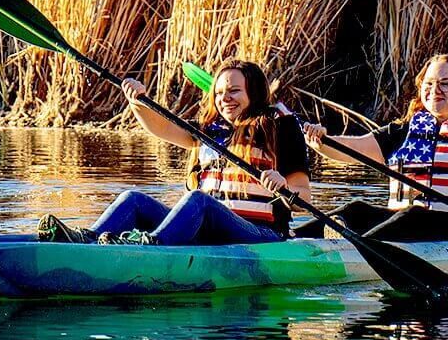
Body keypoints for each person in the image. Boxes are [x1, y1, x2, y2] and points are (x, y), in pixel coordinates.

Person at [36, 59, 311, 246]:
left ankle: (153, 248)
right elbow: (162, 129)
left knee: (198, 201)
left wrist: (283, 187)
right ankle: (86, 241)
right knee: (133, 199)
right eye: (219, 93)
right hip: (210, 233)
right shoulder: (210, 132)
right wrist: (137, 102)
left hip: (261, 235)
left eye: (235, 91)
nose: (224, 99)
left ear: (255, 94)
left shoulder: (279, 127)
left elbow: (304, 197)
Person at [301, 53, 448, 242]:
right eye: (429, 83)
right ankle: (290, 239)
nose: (435, 90)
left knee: (415, 214)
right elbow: (354, 148)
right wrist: (321, 140)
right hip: (404, 223)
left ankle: (355, 247)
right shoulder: (403, 130)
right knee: (356, 210)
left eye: (446, 83)